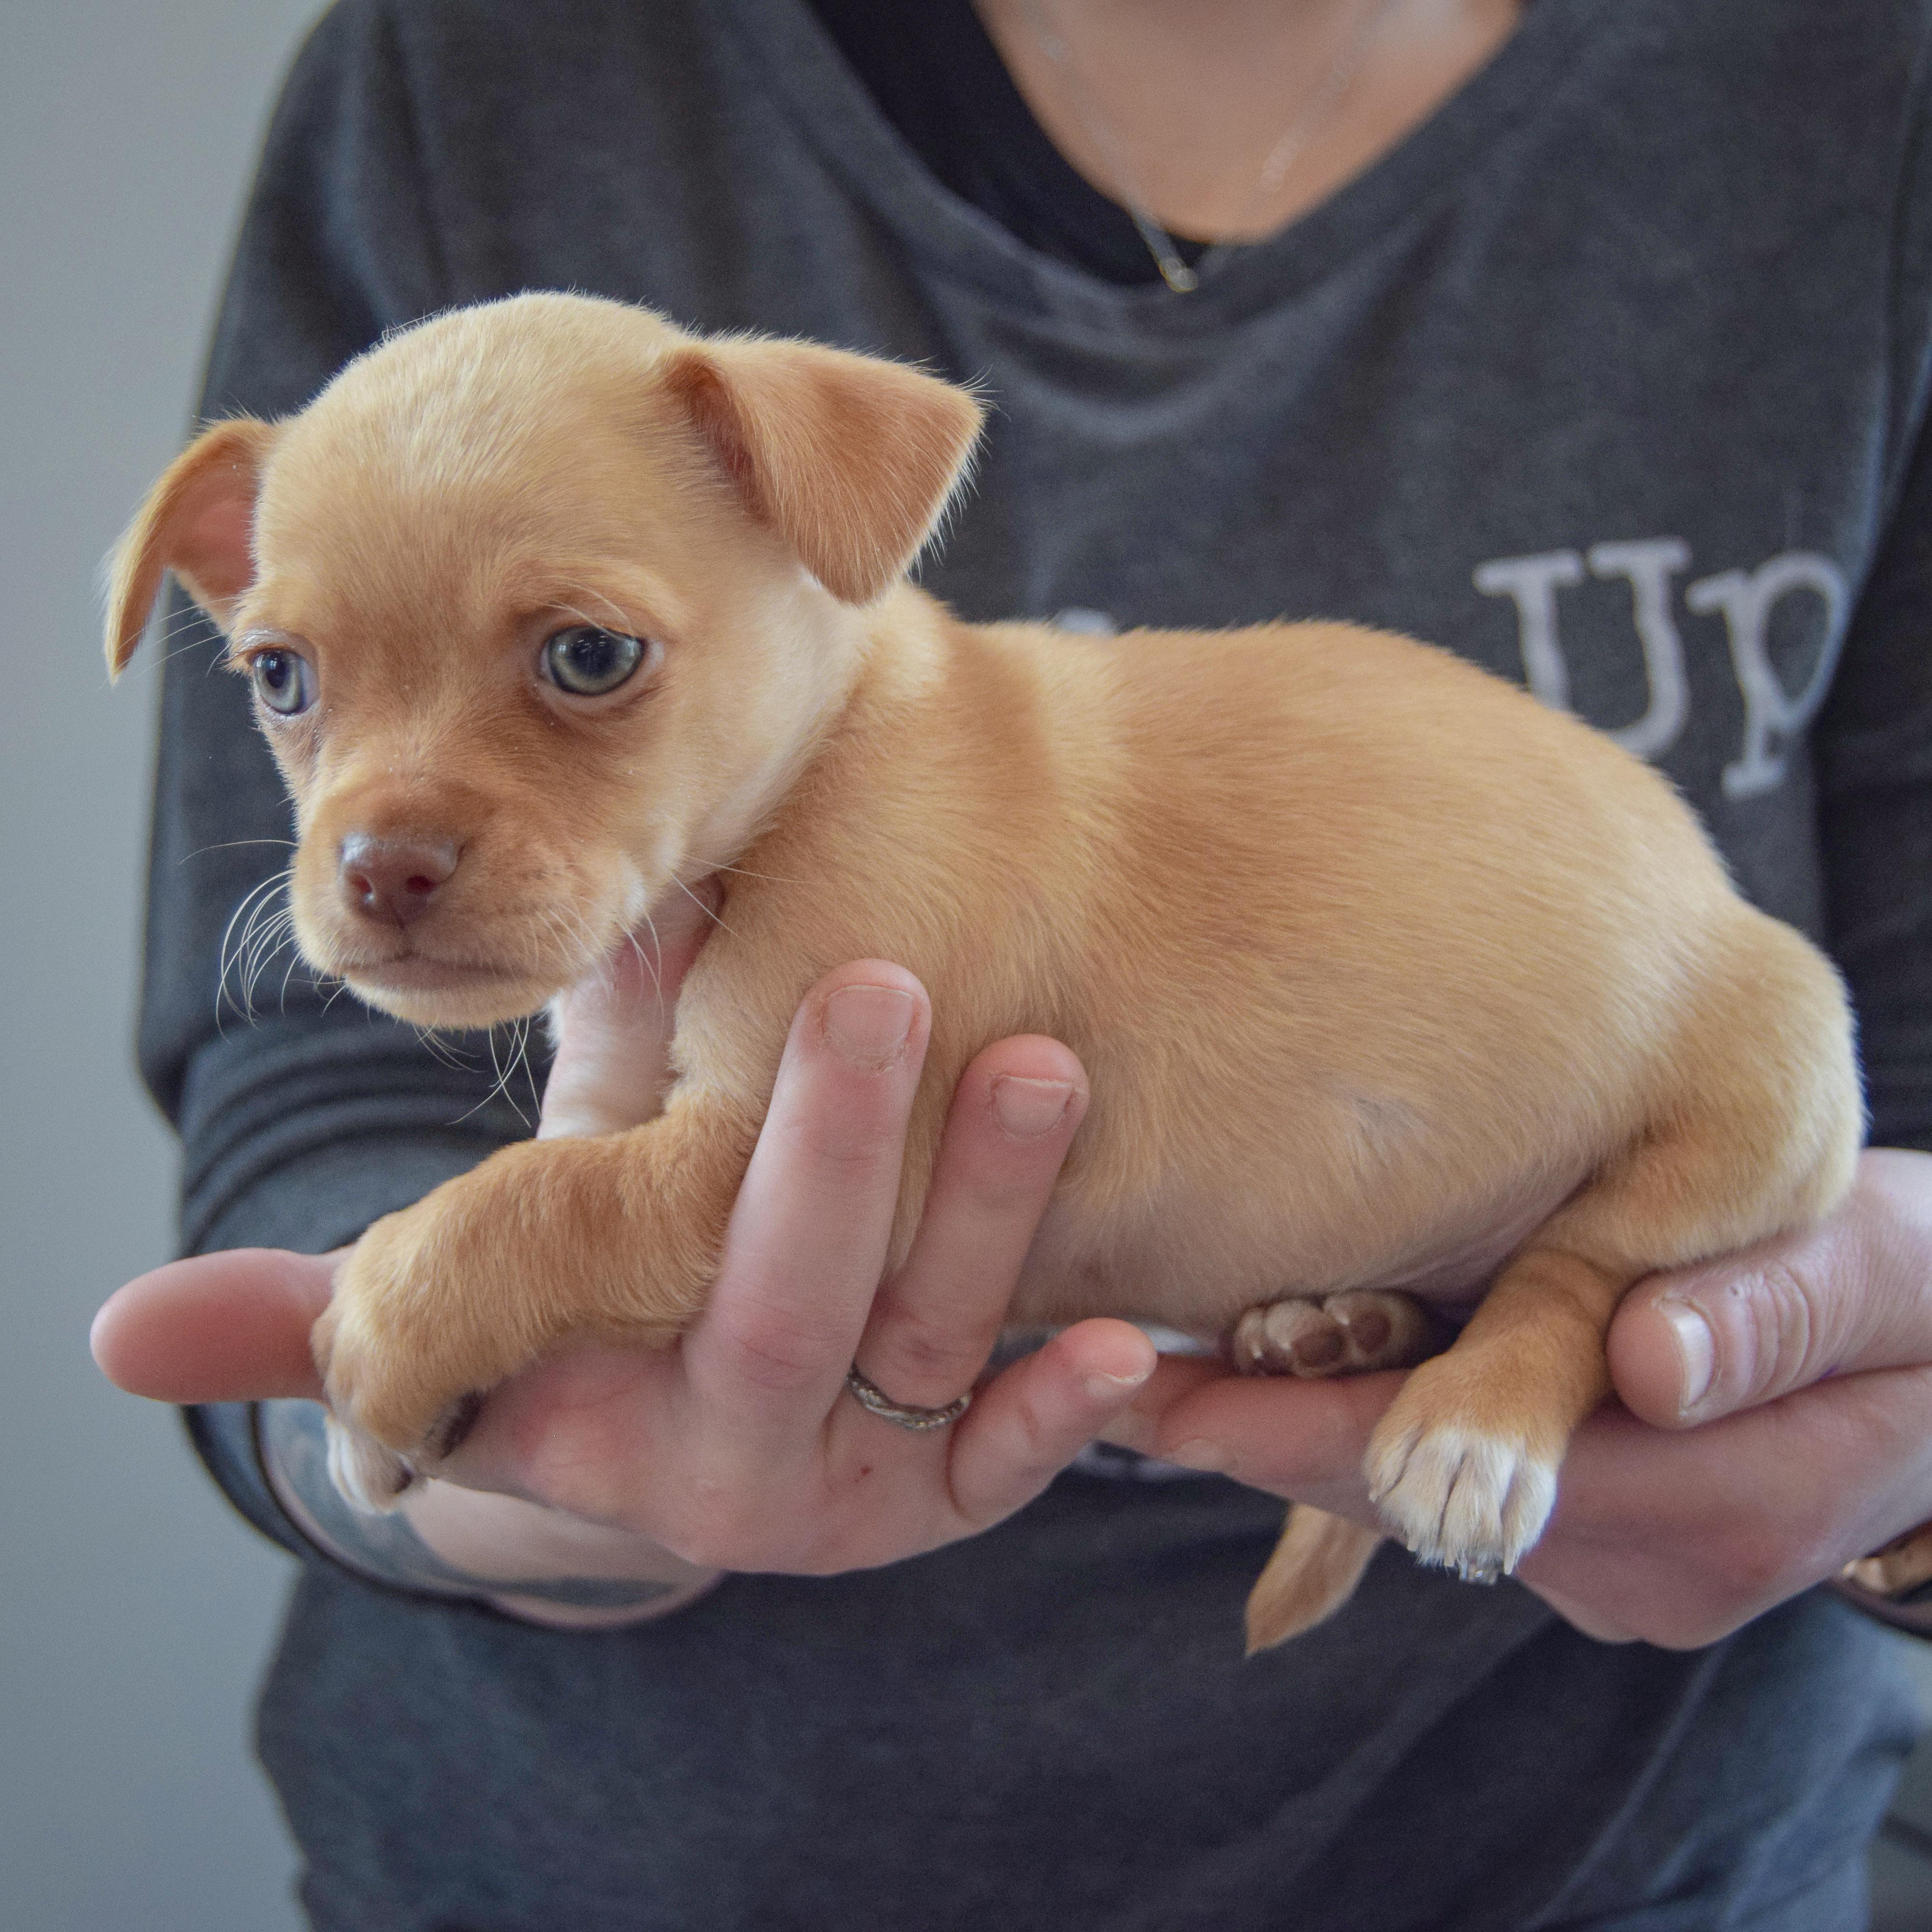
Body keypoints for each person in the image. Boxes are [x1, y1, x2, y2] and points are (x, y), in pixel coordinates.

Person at [92, 0, 1932, 1924]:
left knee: (1761, 1051)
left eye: (582, 661)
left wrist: (1887, 1480)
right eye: (291, 679)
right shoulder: (470, 66)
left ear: (828, 524)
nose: (380, 839)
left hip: (1584, 1859)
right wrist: (491, 1480)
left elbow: (738, 1187)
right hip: (597, 1850)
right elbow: (302, 1095)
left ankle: (1525, 1324)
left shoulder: (1855, 82)